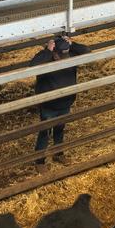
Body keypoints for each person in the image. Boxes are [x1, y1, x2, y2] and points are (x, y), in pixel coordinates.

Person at [29, 36, 91, 170]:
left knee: (59, 129)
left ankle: (59, 153)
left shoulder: (70, 55)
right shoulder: (46, 59)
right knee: (45, 132)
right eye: (61, 55)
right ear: (54, 52)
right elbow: (32, 65)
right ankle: (40, 161)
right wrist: (47, 51)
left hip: (65, 102)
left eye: (67, 54)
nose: (65, 58)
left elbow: (87, 51)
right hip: (49, 104)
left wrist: (72, 44)